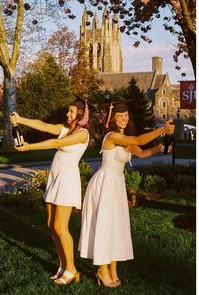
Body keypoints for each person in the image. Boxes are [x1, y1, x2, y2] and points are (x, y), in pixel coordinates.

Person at [78, 102, 175, 288]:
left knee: (115, 226)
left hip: (116, 185)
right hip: (105, 184)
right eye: (120, 116)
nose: (124, 119)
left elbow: (142, 152)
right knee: (105, 225)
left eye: (127, 115)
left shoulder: (124, 138)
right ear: (112, 118)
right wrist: (162, 129)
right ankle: (102, 269)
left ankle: (113, 269)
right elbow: (138, 141)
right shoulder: (112, 136)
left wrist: (161, 148)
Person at [10, 98, 92, 285]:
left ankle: (71, 269)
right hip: (55, 179)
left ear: (80, 115)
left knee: (60, 227)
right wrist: (20, 119)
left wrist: (30, 146)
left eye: (71, 112)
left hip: (66, 181)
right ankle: (63, 266)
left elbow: (56, 144)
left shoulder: (82, 134)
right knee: (51, 224)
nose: (67, 114)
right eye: (68, 111)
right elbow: (43, 125)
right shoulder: (66, 129)